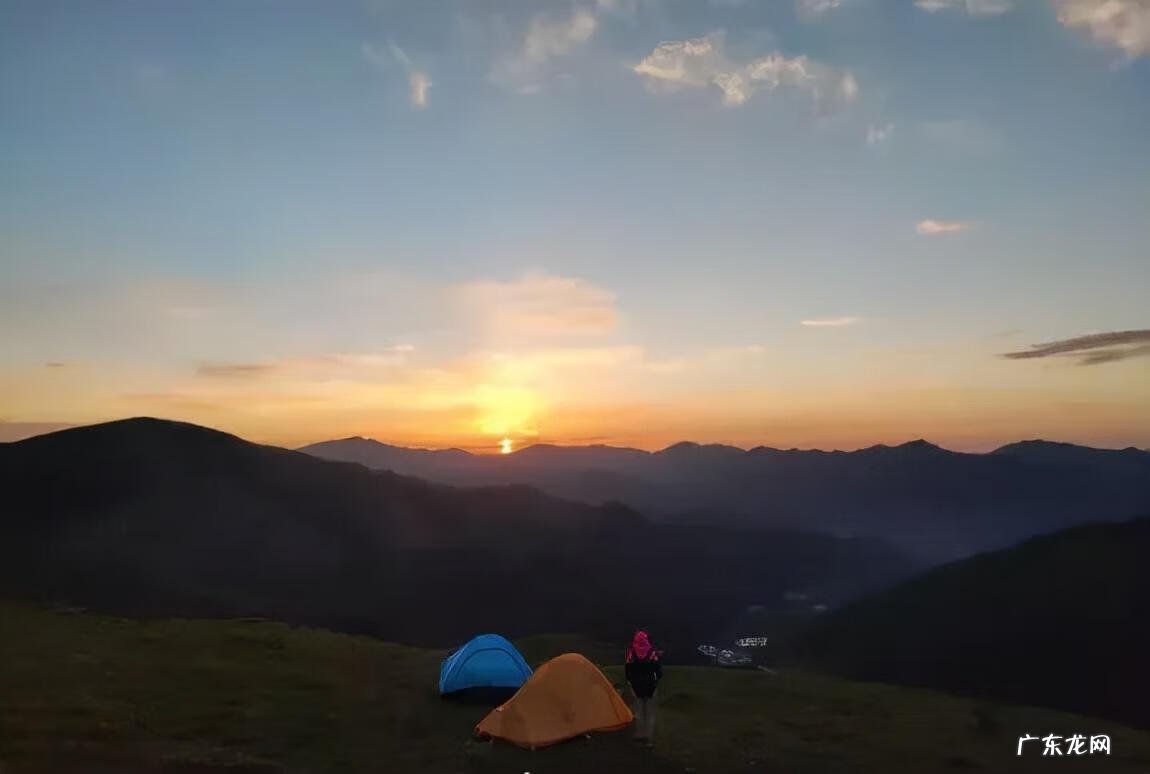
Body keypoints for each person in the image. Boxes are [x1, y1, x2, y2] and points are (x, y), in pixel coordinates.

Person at [624, 629, 662, 745]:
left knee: (639, 710)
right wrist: (656, 679)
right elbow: (659, 671)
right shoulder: (652, 653)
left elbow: (627, 669)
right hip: (650, 685)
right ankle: (648, 736)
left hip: (637, 686)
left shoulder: (631, 652)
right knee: (649, 712)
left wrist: (630, 681)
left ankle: (640, 733)